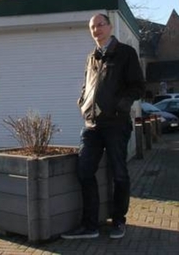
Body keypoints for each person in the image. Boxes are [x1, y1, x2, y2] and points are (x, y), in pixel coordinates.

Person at [61, 13, 145, 240]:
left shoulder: (126, 53)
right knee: (84, 171)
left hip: (116, 123)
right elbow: (86, 86)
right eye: (92, 27)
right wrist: (82, 103)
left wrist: (120, 106)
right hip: (92, 125)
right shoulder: (91, 57)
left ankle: (119, 221)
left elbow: (138, 86)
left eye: (100, 25)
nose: (96, 30)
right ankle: (90, 226)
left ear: (109, 27)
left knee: (119, 173)